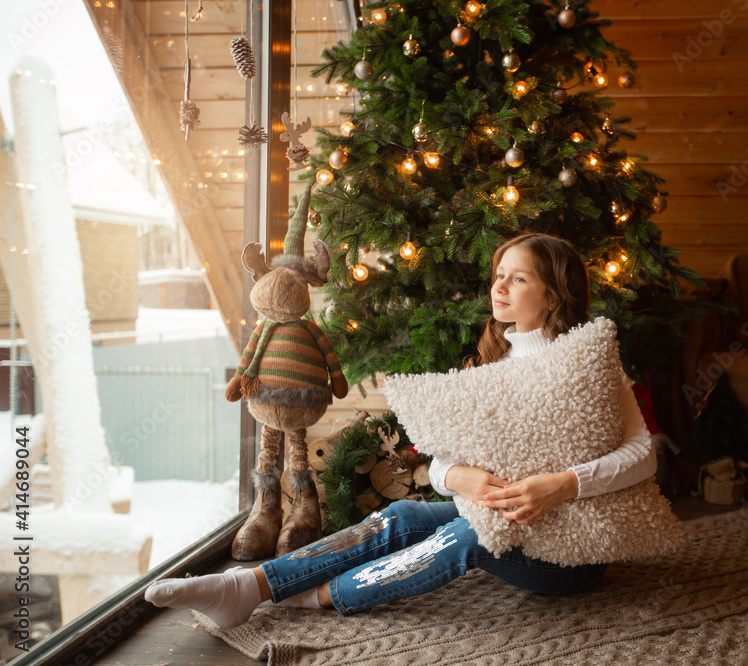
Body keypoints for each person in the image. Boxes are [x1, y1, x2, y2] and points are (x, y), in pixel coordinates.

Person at [144, 233, 658, 628]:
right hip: (497, 516)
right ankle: (251, 586)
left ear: (553, 295)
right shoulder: (490, 367)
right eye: (499, 274)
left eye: (518, 279)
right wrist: (460, 478)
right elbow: (436, 465)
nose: (499, 287)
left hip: (570, 553)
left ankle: (313, 594)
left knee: (467, 533)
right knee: (406, 513)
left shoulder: (591, 365)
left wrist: (564, 484)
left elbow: (644, 455)